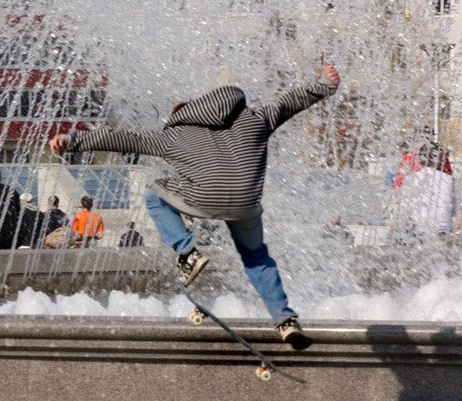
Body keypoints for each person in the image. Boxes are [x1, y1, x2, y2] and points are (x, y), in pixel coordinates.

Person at [51, 66, 340, 342]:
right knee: (256, 257)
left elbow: (122, 139)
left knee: (154, 195)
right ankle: (285, 320)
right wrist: (324, 85)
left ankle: (187, 253)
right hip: (246, 202)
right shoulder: (256, 118)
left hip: (203, 198)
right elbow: (290, 102)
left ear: (185, 115)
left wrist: (73, 140)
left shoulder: (172, 135)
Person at [391, 127, 456, 240]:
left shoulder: (440, 156)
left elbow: (449, 181)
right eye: (422, 139)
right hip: (417, 213)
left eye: (428, 138)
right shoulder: (409, 157)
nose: (424, 142)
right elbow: (399, 186)